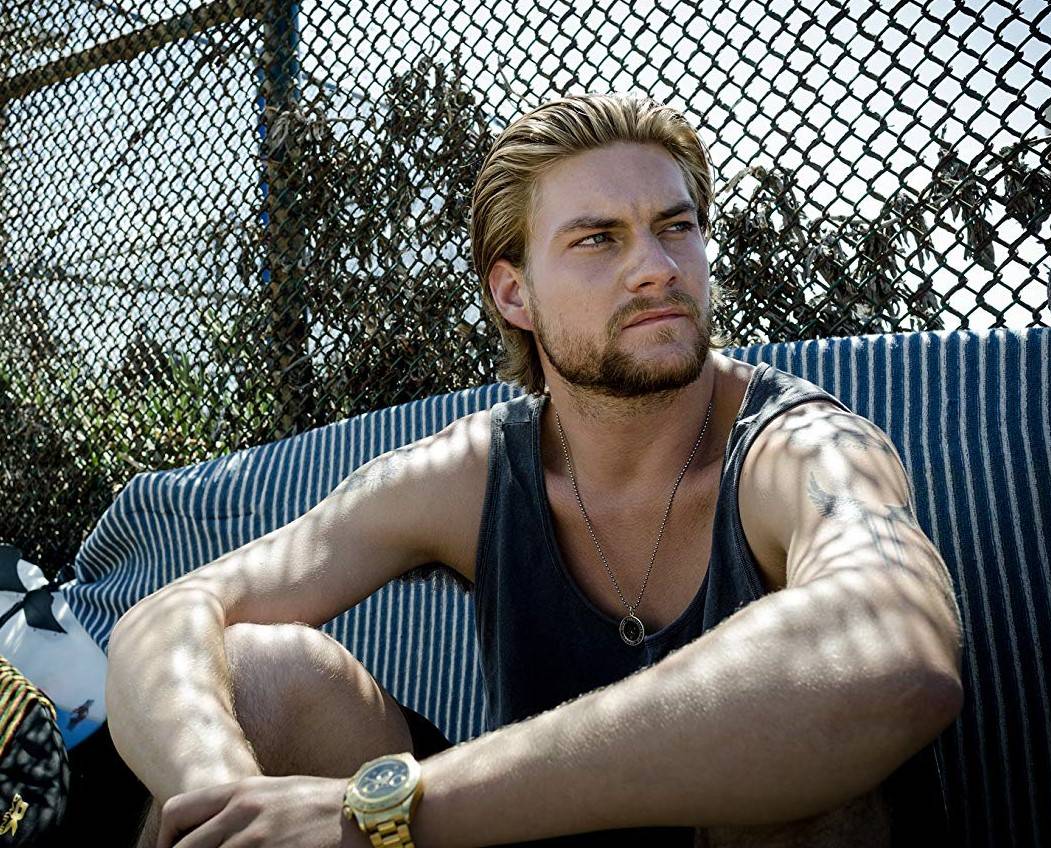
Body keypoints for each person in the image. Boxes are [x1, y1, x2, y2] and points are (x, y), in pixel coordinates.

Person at [105, 92, 963, 848]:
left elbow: (897, 657)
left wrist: (389, 812)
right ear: (513, 294)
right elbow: (173, 613)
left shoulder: (799, 446)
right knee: (263, 674)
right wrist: (227, 801)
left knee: (795, 758)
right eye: (598, 239)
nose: (657, 268)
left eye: (676, 227)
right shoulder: (471, 473)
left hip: (681, 827)